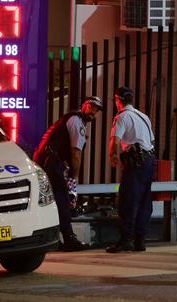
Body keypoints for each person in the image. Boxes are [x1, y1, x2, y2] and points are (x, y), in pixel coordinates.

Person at [33, 96, 103, 251]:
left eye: (97, 110)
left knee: (52, 200)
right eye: (92, 107)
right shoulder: (76, 121)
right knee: (62, 200)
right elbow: (76, 153)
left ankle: (55, 239)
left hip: (46, 161)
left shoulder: (74, 119)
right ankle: (68, 239)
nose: (94, 112)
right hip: (50, 162)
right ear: (84, 105)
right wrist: (74, 176)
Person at [106, 87, 156, 253]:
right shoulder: (143, 116)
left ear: (117, 100)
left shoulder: (122, 117)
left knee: (128, 200)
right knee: (144, 200)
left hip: (135, 162)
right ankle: (140, 241)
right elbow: (151, 140)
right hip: (149, 160)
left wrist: (113, 156)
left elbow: (116, 141)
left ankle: (126, 239)